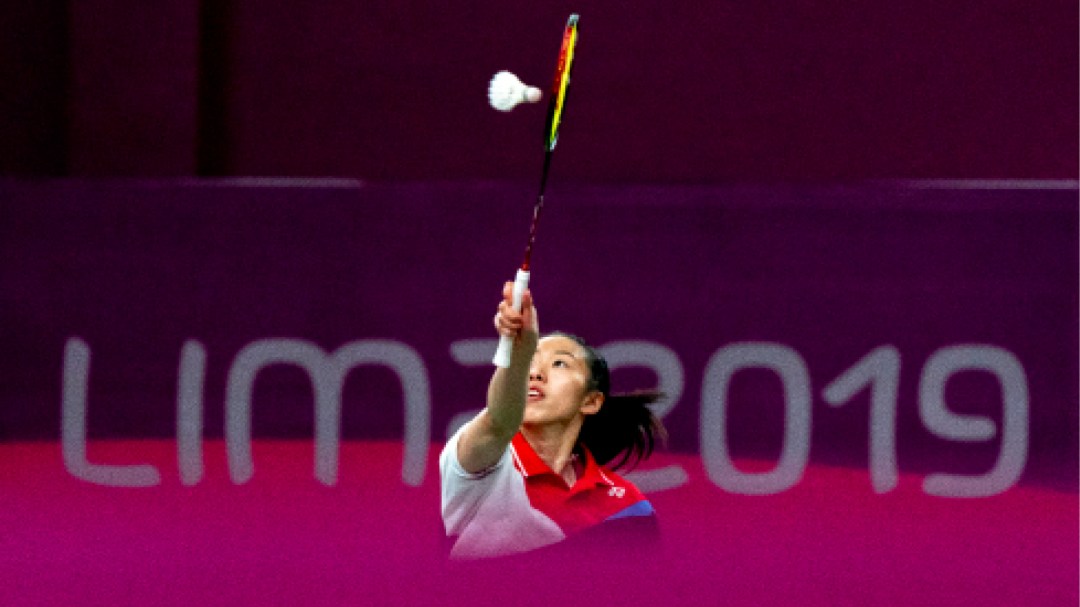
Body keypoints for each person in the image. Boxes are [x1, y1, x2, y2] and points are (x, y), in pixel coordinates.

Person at [439, 282, 666, 559]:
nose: (535, 374)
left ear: (591, 401)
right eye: (530, 364)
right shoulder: (484, 465)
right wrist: (518, 353)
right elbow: (499, 423)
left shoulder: (628, 508)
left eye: (559, 363)